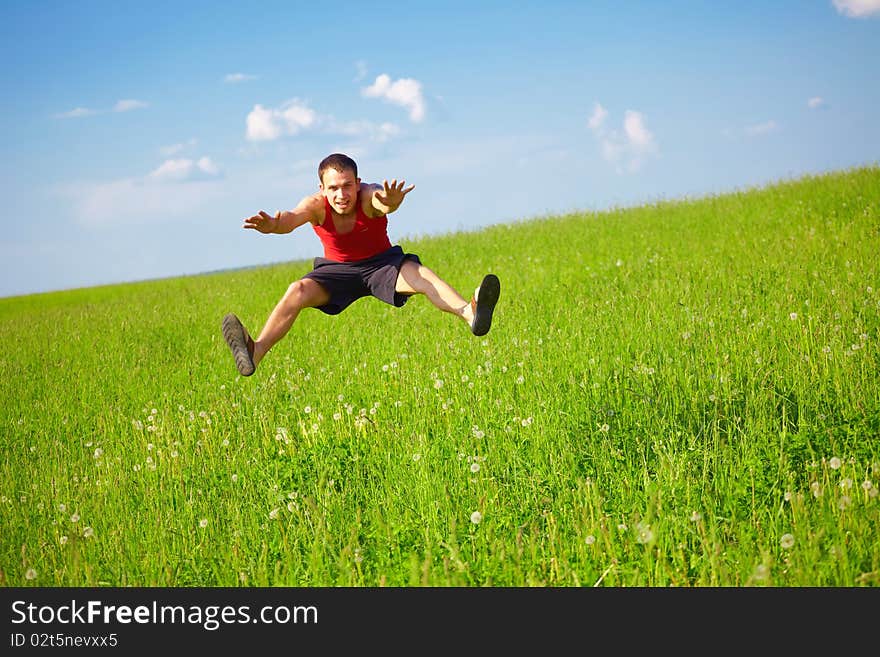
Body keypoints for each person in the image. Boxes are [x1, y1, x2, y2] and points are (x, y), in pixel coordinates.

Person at [222, 153, 501, 377]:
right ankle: (255, 350)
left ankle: (469, 312)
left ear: (358, 183)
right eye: (333, 188)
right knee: (297, 290)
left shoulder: (369, 195)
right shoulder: (316, 205)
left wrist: (391, 203)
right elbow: (290, 219)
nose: (341, 194)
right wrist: (273, 226)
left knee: (421, 275)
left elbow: (381, 203)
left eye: (347, 186)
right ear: (322, 189)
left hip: (381, 264)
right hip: (336, 272)